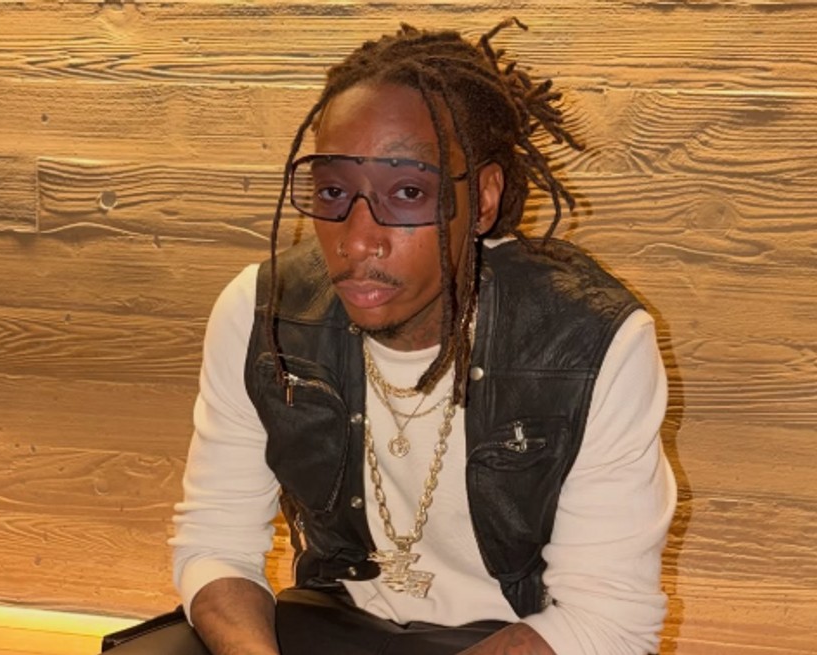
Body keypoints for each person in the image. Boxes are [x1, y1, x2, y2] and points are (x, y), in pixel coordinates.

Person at [108, 19, 677, 655]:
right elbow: (216, 542)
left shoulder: (589, 342)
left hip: (516, 637)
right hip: (335, 620)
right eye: (333, 191)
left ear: (483, 199)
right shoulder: (264, 311)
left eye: (407, 192)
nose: (357, 241)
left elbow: (607, 623)